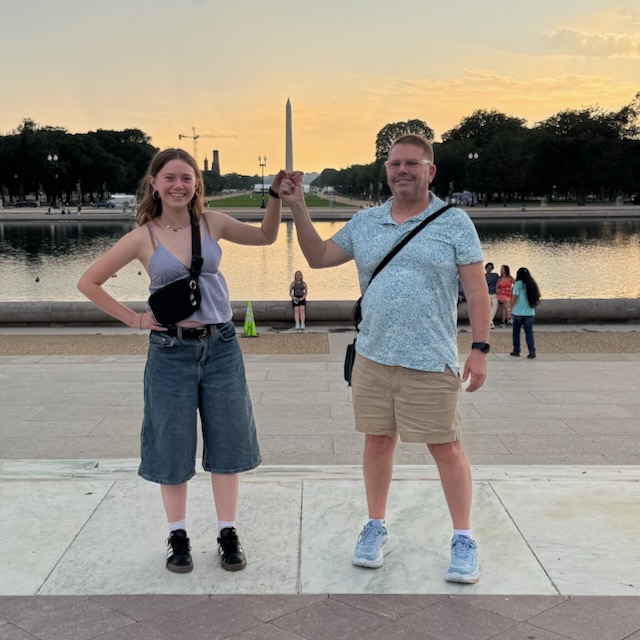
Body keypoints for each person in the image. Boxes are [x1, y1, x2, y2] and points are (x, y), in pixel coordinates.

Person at [280, 134, 490, 584]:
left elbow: (476, 292)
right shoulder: (366, 222)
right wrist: (297, 206)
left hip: (430, 357)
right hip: (373, 355)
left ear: (430, 171)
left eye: (412, 163)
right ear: (387, 171)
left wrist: (480, 348)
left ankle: (463, 537)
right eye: (395, 164)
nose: (402, 171)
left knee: (446, 447)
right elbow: (317, 257)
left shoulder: (454, 222)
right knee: (377, 442)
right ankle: (375, 525)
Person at [78, 148, 286, 574]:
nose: (178, 185)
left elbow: (267, 237)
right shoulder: (143, 237)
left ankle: (227, 532)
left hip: (221, 345)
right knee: (171, 443)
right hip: (171, 350)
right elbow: (89, 282)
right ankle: (178, 535)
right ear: (153, 183)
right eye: (170, 177)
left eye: (186, 178)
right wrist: (135, 320)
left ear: (196, 184)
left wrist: (276, 198)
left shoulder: (211, 223)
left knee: (229, 439)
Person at [510, 267, 541, 359]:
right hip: (529, 312)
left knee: (516, 332)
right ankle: (532, 351)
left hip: (518, 312)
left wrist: (510, 308)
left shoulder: (518, 284)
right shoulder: (532, 284)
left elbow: (515, 297)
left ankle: (516, 350)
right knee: (529, 333)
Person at [484, 262, 499, 328]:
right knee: (489, 307)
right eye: (488, 268)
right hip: (486, 294)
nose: (489, 269)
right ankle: (490, 322)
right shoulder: (483, 276)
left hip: (494, 294)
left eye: (490, 268)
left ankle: (489, 321)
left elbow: (502, 279)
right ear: (485, 268)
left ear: (492, 269)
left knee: (495, 305)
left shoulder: (495, 275)